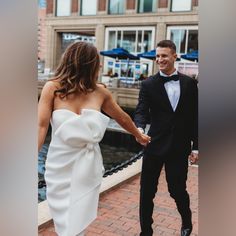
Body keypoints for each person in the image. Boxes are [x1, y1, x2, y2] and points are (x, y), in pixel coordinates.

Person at [38, 42, 150, 236]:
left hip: (87, 165)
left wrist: (138, 135)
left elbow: (122, 117)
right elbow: (40, 126)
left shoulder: (101, 93)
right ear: (91, 64)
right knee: (63, 219)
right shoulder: (52, 88)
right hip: (58, 166)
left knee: (77, 217)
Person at [134, 40, 198, 236]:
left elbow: (196, 117)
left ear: (174, 56)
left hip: (179, 148)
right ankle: (146, 232)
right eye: (157, 56)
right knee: (146, 193)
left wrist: (197, 147)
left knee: (177, 190)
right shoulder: (148, 84)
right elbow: (141, 111)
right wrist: (139, 129)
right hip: (153, 145)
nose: (159, 59)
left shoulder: (189, 84)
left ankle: (186, 223)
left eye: (164, 56)